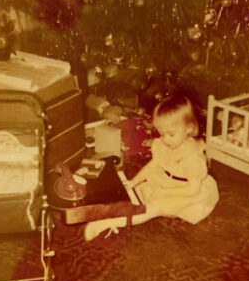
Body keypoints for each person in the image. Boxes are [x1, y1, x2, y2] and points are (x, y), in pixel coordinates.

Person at [84, 94, 219, 241]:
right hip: (166, 179)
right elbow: (153, 165)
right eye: (161, 133)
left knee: (154, 207)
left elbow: (193, 190)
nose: (165, 139)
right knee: (134, 191)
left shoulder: (193, 157)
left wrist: (165, 191)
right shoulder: (164, 144)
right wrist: (133, 182)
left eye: (171, 134)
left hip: (186, 192)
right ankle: (107, 212)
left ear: (189, 128)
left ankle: (105, 224)